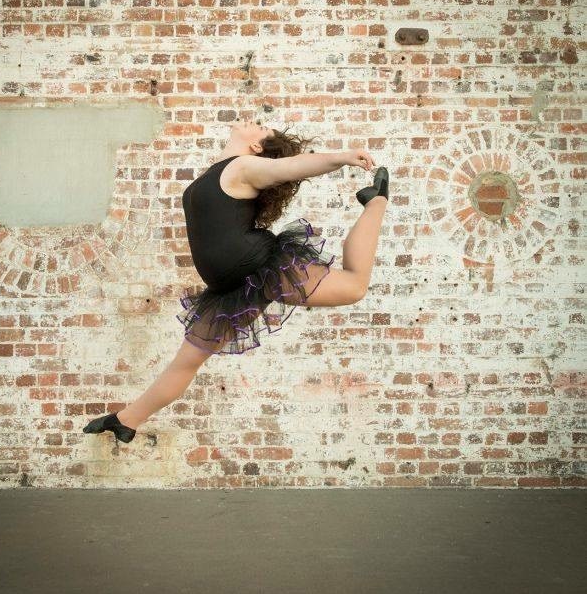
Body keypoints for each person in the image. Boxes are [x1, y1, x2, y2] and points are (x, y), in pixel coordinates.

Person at [83, 118, 389, 445]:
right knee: (186, 363)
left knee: (355, 286)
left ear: (257, 147)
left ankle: (377, 200)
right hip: (232, 288)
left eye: (260, 126)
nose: (252, 120)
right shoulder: (220, 171)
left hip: (258, 265)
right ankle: (125, 421)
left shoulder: (243, 167)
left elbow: (294, 166)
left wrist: (341, 156)